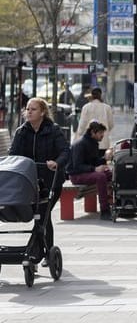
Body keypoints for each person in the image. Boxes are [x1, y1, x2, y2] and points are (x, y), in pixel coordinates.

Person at [9, 97, 70, 263]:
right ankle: (45, 252)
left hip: (51, 182)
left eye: (33, 109)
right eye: (27, 109)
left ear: (42, 112)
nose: (28, 112)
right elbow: (13, 155)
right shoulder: (21, 132)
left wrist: (56, 163)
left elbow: (65, 151)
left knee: (43, 214)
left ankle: (36, 253)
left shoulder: (53, 130)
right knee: (42, 216)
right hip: (30, 183)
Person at [67, 121, 113, 220]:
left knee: (110, 174)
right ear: (93, 132)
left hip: (87, 172)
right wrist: (95, 169)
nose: (102, 135)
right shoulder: (80, 144)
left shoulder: (93, 143)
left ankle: (114, 203)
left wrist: (105, 158)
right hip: (76, 175)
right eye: (100, 133)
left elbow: (94, 161)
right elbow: (77, 166)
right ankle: (105, 210)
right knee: (101, 176)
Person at [76, 87, 114, 156]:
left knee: (90, 164)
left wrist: (80, 135)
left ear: (92, 96)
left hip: (89, 143)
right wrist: (103, 132)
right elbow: (111, 125)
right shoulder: (107, 108)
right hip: (103, 143)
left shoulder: (86, 107)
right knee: (101, 163)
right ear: (101, 95)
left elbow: (81, 126)